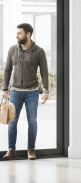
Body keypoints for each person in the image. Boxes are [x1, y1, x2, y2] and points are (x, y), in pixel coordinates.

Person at [2, 23, 49, 160]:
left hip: (32, 92)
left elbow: (44, 72)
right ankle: (11, 150)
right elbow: (7, 70)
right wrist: (5, 88)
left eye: (20, 33)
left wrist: (46, 90)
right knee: (12, 122)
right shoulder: (12, 50)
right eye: (17, 33)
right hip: (15, 91)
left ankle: (31, 150)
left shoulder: (39, 51)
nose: (16, 36)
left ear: (28, 34)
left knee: (32, 122)